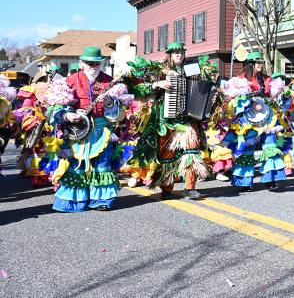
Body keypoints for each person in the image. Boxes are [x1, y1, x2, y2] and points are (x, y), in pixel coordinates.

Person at [126, 42, 211, 200]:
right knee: (168, 155)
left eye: (181, 52)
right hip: (167, 119)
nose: (179, 55)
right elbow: (137, 89)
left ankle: (190, 188)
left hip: (189, 118)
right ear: (170, 55)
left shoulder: (193, 69)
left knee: (192, 152)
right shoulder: (158, 70)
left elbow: (202, 87)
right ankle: (167, 188)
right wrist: (156, 84)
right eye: (175, 52)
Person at [49, 46, 119, 212]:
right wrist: (67, 116)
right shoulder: (70, 80)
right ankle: (75, 202)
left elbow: (117, 113)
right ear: (81, 62)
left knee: (102, 165)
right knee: (77, 165)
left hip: (102, 130)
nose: (93, 67)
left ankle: (100, 200)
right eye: (89, 63)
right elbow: (56, 107)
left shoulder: (110, 82)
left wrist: (110, 103)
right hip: (77, 130)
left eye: (97, 64)